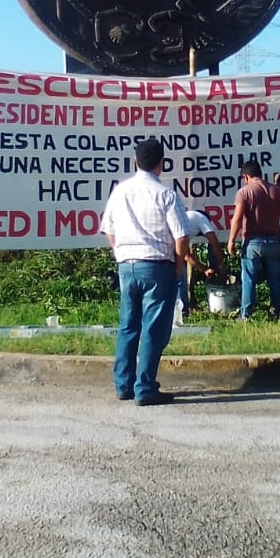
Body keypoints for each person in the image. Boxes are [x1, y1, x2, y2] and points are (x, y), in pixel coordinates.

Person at [99, 138, 190, 405]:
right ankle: (145, 388)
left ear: (135, 162)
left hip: (127, 265)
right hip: (157, 266)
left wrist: (120, 254)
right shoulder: (166, 194)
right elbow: (182, 236)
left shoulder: (120, 191)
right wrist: (178, 264)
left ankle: (123, 385)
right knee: (153, 329)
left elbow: (109, 228)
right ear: (162, 164)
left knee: (128, 326)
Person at [225, 160, 280, 319]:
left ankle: (246, 315)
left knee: (248, 280)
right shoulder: (275, 190)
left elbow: (238, 218)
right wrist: (277, 187)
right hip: (273, 240)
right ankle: (278, 312)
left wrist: (231, 240)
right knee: (275, 279)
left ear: (245, 176)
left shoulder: (244, 192)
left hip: (253, 241)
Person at [176, 209, 227, 325]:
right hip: (170, 248)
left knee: (178, 282)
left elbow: (186, 256)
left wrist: (204, 269)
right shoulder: (202, 219)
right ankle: (183, 315)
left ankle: (180, 315)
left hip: (168, 248)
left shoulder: (187, 222)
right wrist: (221, 264)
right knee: (180, 282)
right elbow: (214, 242)